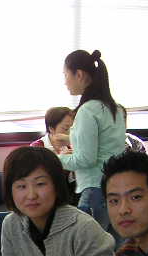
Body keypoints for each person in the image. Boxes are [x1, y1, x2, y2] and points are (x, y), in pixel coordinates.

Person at [1, 146, 114, 256]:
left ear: (56, 185)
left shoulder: (83, 229)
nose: (31, 195)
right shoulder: (12, 225)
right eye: (21, 186)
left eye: (40, 184)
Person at [59, 49, 126, 230]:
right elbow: (106, 146)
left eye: (65, 75)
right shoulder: (116, 109)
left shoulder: (87, 110)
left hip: (94, 190)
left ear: (79, 74)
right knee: (114, 243)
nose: (65, 81)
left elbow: (85, 159)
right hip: (115, 188)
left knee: (90, 245)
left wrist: (53, 158)